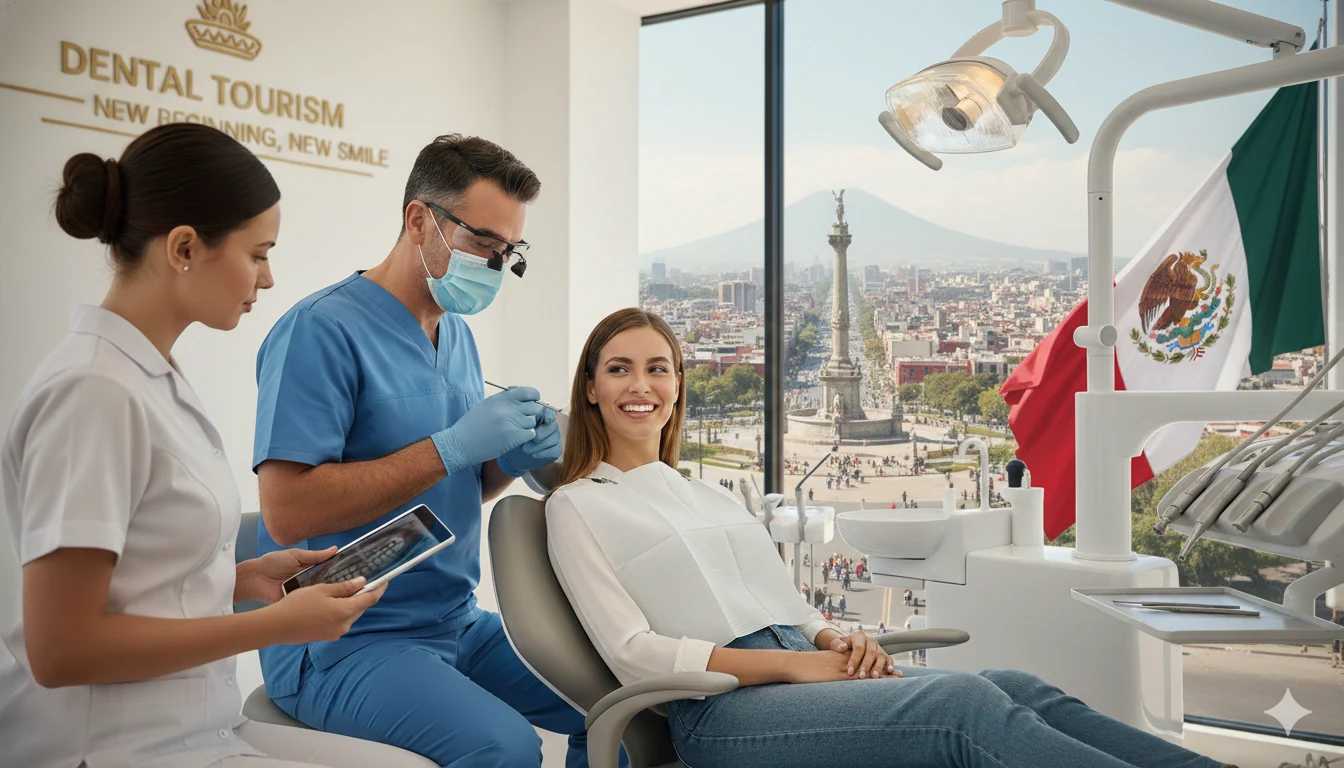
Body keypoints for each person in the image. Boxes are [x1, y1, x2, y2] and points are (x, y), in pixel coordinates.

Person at [542, 307, 1235, 768]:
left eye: (658, 367)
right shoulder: (577, 506)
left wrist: (832, 640)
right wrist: (789, 666)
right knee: (960, 708)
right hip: (722, 708)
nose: (642, 385)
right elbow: (634, 653)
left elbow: (782, 601)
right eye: (619, 368)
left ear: (677, 384)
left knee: (1017, 686)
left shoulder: (699, 490)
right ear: (592, 388)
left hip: (802, 667)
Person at [0, 124, 418, 768]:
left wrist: (240, 581)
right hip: (110, 747)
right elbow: (61, 651)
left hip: (197, 728)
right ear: (185, 248)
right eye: (258, 253)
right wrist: (273, 628)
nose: (270, 277)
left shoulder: (147, 376)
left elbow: (137, 582)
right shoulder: (93, 392)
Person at [251, 135, 603, 767]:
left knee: (614, 709)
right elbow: (286, 512)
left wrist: (504, 464)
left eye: (508, 250)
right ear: (419, 220)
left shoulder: (456, 334)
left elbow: (445, 491)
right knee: (506, 749)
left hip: (454, 619)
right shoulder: (320, 330)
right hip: (341, 635)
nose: (495, 265)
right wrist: (451, 446)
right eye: (482, 242)